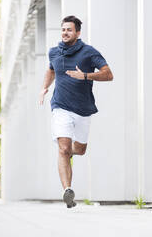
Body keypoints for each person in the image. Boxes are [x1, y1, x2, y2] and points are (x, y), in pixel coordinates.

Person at [39, 15, 113, 208]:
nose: (65, 33)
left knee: (78, 150)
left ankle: (70, 153)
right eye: (63, 29)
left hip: (83, 109)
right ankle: (68, 192)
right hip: (60, 106)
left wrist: (86, 75)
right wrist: (44, 87)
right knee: (63, 148)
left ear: (78, 33)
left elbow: (108, 74)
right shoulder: (54, 52)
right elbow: (51, 70)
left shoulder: (89, 52)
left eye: (69, 30)